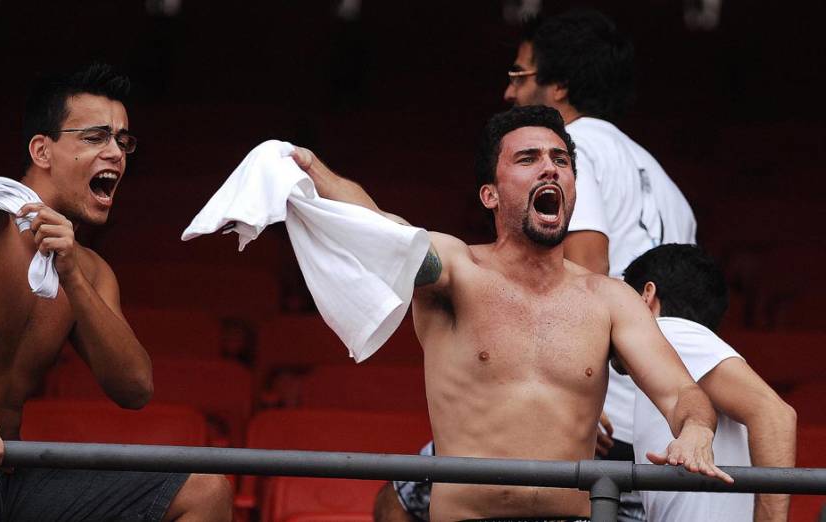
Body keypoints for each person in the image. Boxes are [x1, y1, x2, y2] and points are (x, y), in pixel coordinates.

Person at [293, 105, 730, 522]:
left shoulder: (610, 299)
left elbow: (681, 395)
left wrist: (695, 431)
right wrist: (310, 167)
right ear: (490, 194)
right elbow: (378, 228)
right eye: (528, 158)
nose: (550, 168)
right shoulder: (457, 271)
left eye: (561, 159)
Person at [0, 64, 231, 521]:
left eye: (123, 141)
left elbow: (135, 389)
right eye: (95, 138)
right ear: (42, 150)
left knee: (205, 493)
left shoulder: (90, 271)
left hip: (6, 480)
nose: (115, 153)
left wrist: (72, 274)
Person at [502, 10, 698, 520]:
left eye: (520, 77)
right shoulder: (666, 184)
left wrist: (578, 403)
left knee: (405, 494)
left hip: (596, 420)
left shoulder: (571, 150)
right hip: (651, 427)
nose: (510, 93)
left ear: (559, 86)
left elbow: (587, 270)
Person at [625, 244, 796, 522]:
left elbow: (776, 414)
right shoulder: (686, 345)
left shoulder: (670, 331)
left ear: (647, 295)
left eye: (623, 301)